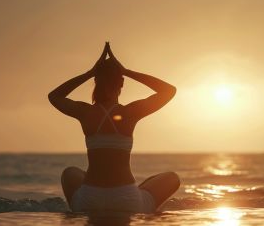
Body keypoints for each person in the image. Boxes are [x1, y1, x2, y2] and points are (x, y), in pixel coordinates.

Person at [48, 42, 180, 213]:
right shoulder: (130, 112)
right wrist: (126, 71)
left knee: (69, 173)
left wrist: (89, 73)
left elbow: (54, 96)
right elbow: (168, 91)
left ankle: (77, 211)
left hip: (89, 200)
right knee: (172, 178)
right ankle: (138, 195)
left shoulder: (85, 112)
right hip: (127, 201)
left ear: (95, 81)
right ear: (122, 83)